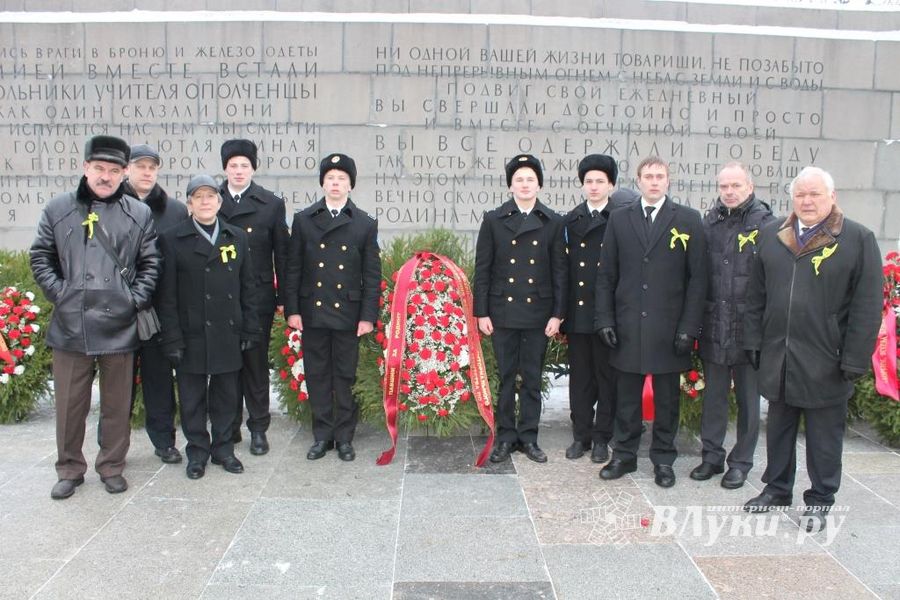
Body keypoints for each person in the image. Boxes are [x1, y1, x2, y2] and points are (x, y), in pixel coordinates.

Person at [742, 166, 882, 532]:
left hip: (827, 359)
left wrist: (854, 358)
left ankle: (820, 499)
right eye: (801, 194)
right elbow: (755, 296)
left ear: (831, 197)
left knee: (823, 437)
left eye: (815, 194)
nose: (807, 201)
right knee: (779, 429)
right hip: (779, 355)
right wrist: (753, 341)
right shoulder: (772, 235)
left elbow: (867, 306)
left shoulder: (857, 239)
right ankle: (776, 488)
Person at [30, 135, 161, 499]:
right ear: (86, 167)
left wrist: (132, 299)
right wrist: (62, 293)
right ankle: (70, 468)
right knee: (70, 405)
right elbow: (41, 256)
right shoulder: (59, 209)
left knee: (117, 404)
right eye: (99, 168)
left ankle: (112, 465)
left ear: (124, 174)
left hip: (119, 323)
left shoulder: (139, 213)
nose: (106, 176)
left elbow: (151, 263)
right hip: (72, 324)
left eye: (114, 170)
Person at [595, 156, 708, 488]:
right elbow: (606, 275)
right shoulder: (619, 219)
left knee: (666, 401)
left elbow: (697, 280)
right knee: (626, 398)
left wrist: (689, 328)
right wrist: (605, 319)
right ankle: (624, 456)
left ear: (668, 181)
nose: (654, 181)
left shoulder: (687, 220)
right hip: (628, 325)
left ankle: (663, 459)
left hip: (669, 330)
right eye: (648, 176)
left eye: (660, 176)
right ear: (639, 181)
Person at [156, 175, 261, 479]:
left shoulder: (236, 236)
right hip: (192, 333)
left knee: (227, 396)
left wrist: (250, 328)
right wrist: (172, 338)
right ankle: (197, 452)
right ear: (189, 204)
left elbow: (248, 287)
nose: (205, 202)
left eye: (210, 196)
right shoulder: (173, 239)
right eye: (198, 197)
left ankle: (224, 449)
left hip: (228, 331)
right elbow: (168, 296)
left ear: (220, 201)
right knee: (192, 398)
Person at [283, 153, 380, 461]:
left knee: (345, 375)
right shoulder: (304, 219)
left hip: (348, 315)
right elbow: (293, 268)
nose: (335, 183)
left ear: (350, 185)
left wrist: (367, 316)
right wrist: (293, 310)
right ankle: (322, 435)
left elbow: (371, 275)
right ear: (323, 183)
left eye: (341, 179)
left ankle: (345, 437)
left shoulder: (364, 223)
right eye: (330, 178)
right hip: (313, 311)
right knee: (317, 374)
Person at [474, 154, 567, 463]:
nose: (525, 184)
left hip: (537, 313)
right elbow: (483, 269)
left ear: (539, 184)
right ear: (510, 185)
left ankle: (528, 437)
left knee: (530, 377)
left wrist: (557, 314)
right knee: (505, 377)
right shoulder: (494, 219)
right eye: (519, 180)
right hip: (502, 311)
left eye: (530, 179)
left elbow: (559, 272)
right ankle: (505, 437)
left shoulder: (553, 221)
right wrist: (482, 312)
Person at [691, 162, 775, 489]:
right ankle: (711, 456)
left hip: (748, 329)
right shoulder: (708, 223)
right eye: (724, 186)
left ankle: (740, 462)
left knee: (748, 400)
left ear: (749, 187)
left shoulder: (766, 225)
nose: (729, 192)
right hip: (714, 324)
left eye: (735, 186)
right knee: (713, 397)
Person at [562, 154, 638, 463]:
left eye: (600, 182)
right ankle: (581, 435)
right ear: (582, 185)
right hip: (579, 313)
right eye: (588, 182)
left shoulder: (622, 219)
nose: (594, 187)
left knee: (607, 379)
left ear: (611, 185)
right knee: (580, 378)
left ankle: (601, 437)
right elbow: (563, 270)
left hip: (608, 314)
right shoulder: (571, 220)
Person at [218, 139, 289, 456]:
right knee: (224, 365)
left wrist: (285, 298)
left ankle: (258, 428)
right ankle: (228, 426)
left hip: (256, 298)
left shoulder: (270, 204)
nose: (238, 171)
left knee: (255, 366)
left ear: (253, 168)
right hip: (218, 298)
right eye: (233, 165)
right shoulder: (209, 200)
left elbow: (282, 256)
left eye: (244, 165)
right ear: (225, 169)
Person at [126, 144, 188, 465]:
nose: (147, 172)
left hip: (157, 311)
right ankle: (112, 445)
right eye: (140, 166)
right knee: (117, 382)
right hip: (120, 311)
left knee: (159, 378)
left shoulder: (175, 211)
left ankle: (164, 440)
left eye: (152, 167)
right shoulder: (109, 206)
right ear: (127, 169)